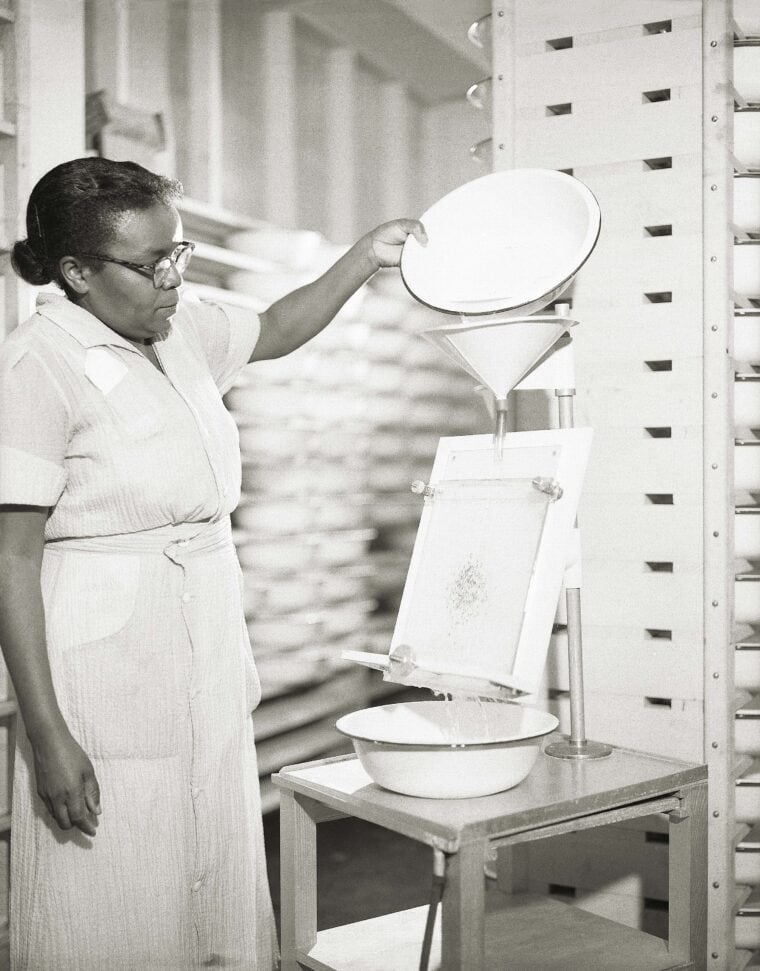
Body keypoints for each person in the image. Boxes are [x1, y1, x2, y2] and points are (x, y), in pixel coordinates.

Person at [0, 156, 427, 970]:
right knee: (113, 876)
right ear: (76, 272)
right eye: (150, 263)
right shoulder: (35, 364)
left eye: (179, 254)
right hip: (101, 653)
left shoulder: (182, 327)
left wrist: (366, 255)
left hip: (200, 626)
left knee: (210, 852)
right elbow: (11, 560)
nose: (170, 278)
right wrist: (48, 734)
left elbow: (277, 327)